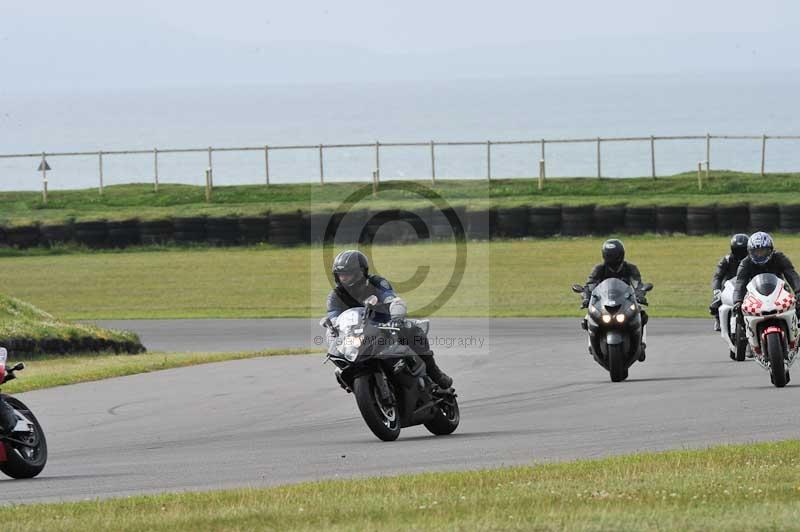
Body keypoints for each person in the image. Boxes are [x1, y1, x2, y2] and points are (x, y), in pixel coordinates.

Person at [325, 249, 453, 388]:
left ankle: (434, 373)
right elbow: (334, 318)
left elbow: (393, 300)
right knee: (340, 371)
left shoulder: (376, 283)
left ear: (360, 272)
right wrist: (334, 334)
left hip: (386, 326)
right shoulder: (335, 295)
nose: (343, 278)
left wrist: (396, 317)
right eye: (340, 274)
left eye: (347, 274)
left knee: (414, 332)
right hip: (358, 336)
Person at [581, 239, 649, 360]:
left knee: (641, 314)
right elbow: (590, 284)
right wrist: (586, 296)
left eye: (614, 255)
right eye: (609, 255)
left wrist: (641, 293)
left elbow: (637, 283)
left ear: (621, 254)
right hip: (604, 304)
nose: (612, 258)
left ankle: (642, 344)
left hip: (625, 304)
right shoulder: (599, 269)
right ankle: (591, 345)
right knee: (588, 318)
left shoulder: (630, 268)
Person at [732, 232, 800, 315]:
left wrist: (798, 291)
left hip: (779, 292)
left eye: (763, 251)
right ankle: (740, 327)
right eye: (756, 252)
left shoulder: (779, 257)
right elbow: (740, 283)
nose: (760, 255)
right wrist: (738, 301)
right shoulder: (745, 263)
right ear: (750, 252)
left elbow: (792, 275)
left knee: (797, 306)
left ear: (770, 250)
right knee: (739, 314)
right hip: (754, 296)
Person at [709, 234, 749, 332]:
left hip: (747, 283)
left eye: (743, 250)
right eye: (737, 250)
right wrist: (716, 293)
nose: (740, 254)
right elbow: (717, 277)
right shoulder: (726, 260)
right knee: (716, 300)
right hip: (730, 286)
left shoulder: (753, 259)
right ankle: (718, 318)